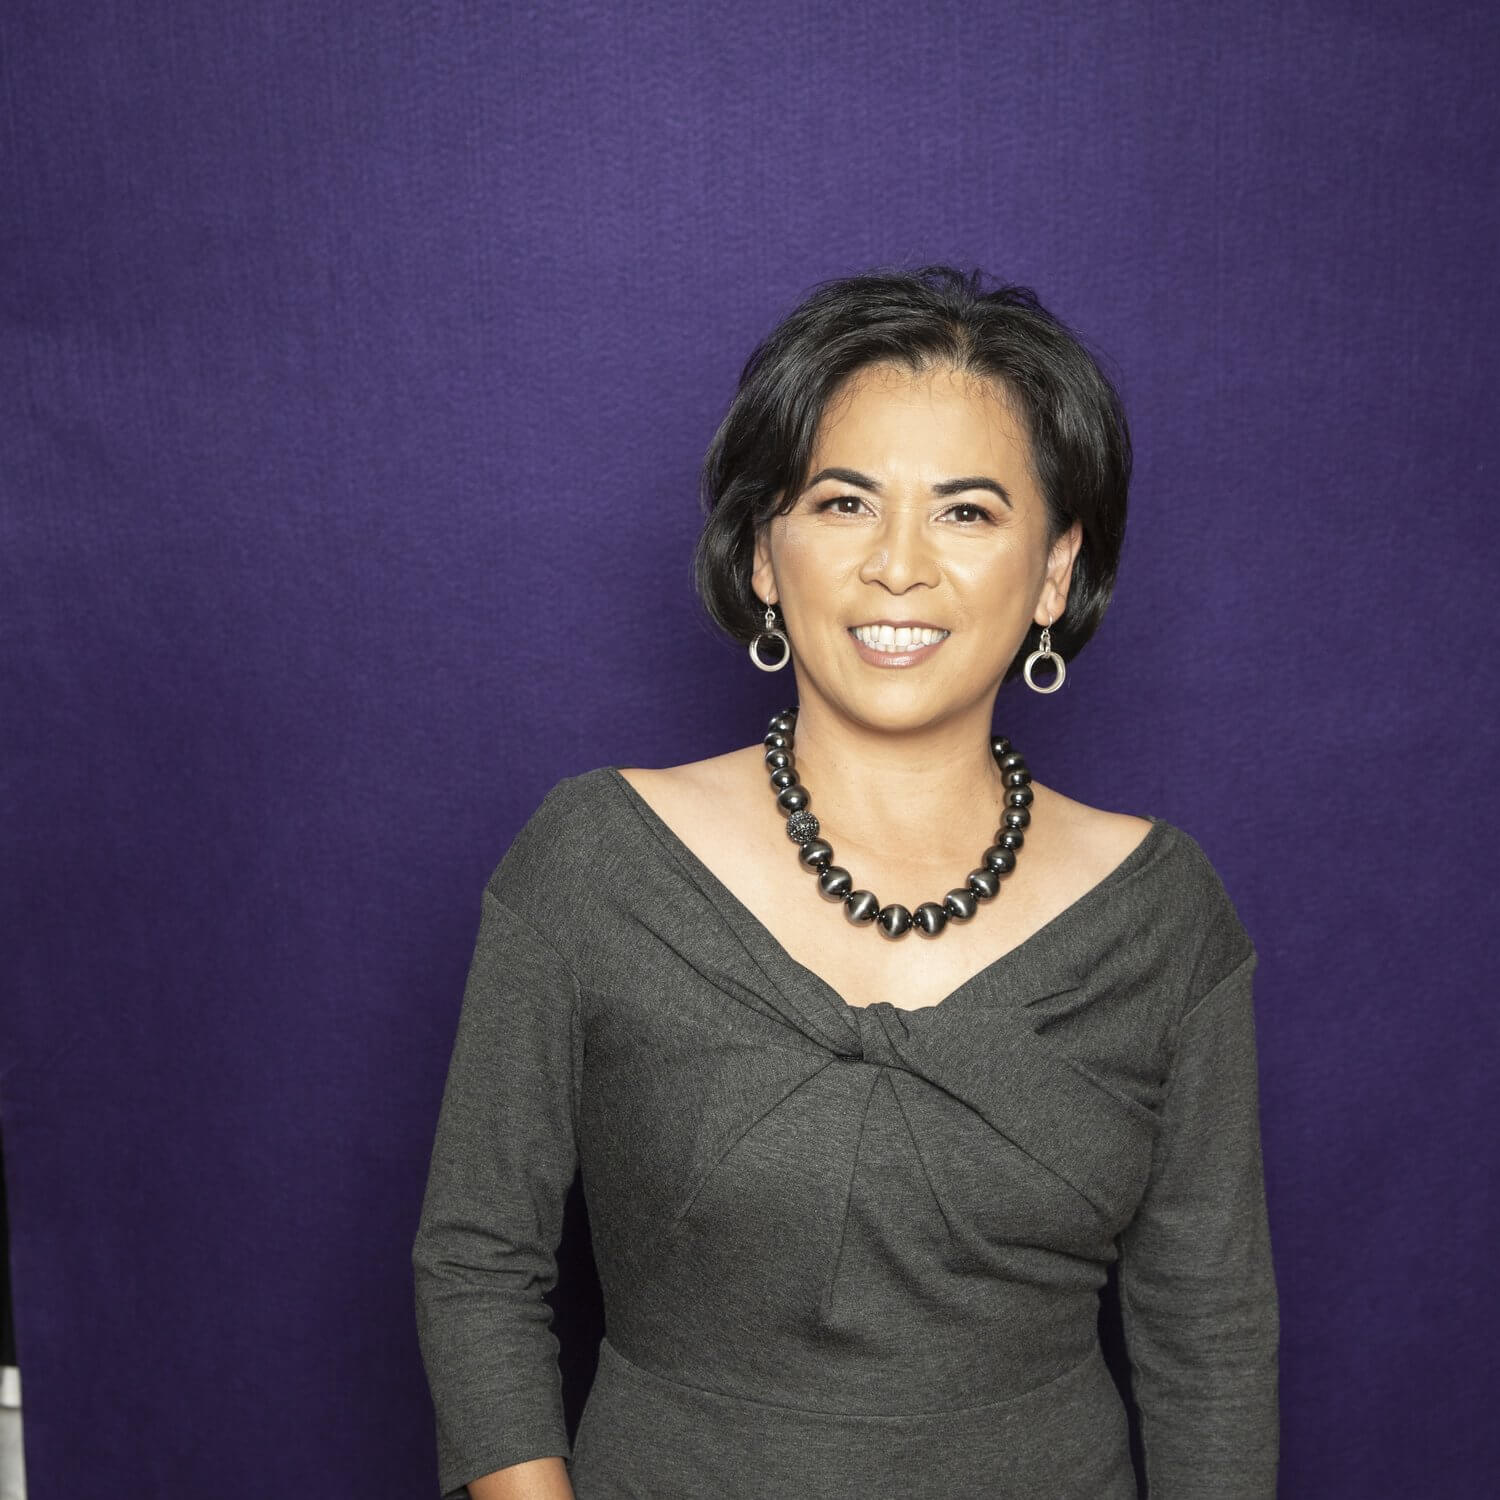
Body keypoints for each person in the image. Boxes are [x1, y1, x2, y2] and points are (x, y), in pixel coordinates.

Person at [411, 265, 1280, 1499]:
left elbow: (1212, 1347)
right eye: (843, 503)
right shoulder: (592, 865)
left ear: (1053, 571)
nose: (898, 568)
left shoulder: (1167, 918)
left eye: (968, 513)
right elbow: (478, 1264)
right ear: (766, 552)